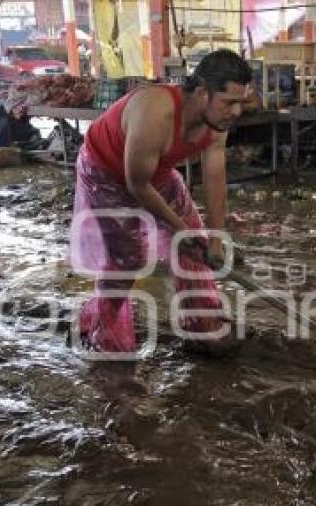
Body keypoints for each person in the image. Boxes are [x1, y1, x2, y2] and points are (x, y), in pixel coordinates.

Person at [71, 49, 252, 353]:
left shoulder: (216, 122)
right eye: (229, 102)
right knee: (128, 259)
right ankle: (103, 329)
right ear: (202, 93)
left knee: (196, 249)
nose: (235, 112)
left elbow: (215, 177)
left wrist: (215, 239)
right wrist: (183, 231)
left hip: (157, 173)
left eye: (241, 103)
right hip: (106, 172)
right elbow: (136, 185)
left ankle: (201, 324)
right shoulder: (155, 112)